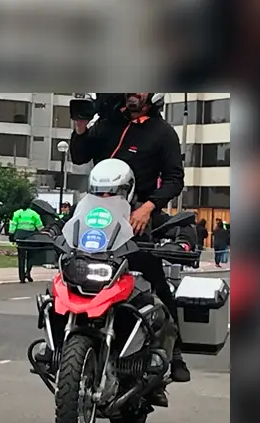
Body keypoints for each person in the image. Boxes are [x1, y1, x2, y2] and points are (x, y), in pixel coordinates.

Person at [69, 92, 191, 387]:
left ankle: (175, 355)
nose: (133, 93)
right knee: (69, 271)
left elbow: (175, 178)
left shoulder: (162, 132)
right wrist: (81, 126)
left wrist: (149, 207)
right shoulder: (108, 124)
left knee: (157, 284)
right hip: (98, 216)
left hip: (138, 218)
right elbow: (79, 156)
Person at [8, 203, 43, 283]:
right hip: (31, 237)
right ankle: (28, 272)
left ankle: (22, 277)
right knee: (31, 256)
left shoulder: (17, 213)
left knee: (21, 258)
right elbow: (40, 227)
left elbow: (13, 225)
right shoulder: (34, 214)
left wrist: (11, 234)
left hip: (20, 236)